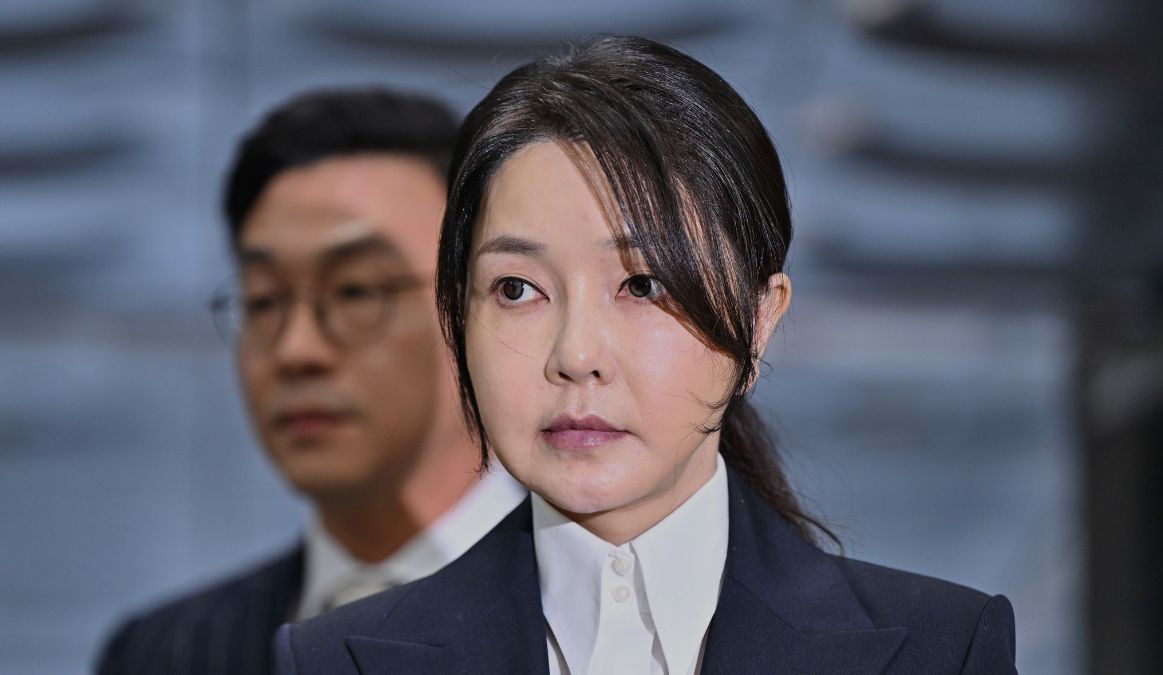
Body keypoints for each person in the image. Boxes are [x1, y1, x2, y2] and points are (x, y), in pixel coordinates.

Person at [273, 37, 1018, 675]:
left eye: (643, 283)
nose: (576, 354)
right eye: (516, 289)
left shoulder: (939, 650)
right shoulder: (338, 661)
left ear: (759, 323)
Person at [96, 88, 526, 675]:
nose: (297, 351)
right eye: (266, 299)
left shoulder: (607, 614)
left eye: (355, 291)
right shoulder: (164, 653)